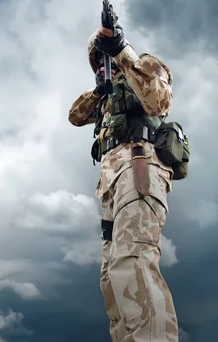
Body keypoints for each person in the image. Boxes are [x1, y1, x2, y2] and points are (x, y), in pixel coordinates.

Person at [67, 21, 179, 342]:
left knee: (134, 260)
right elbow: (74, 116)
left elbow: (158, 101)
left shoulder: (142, 67)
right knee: (112, 278)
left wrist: (122, 53)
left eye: (104, 55)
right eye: (96, 59)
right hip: (110, 182)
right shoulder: (105, 94)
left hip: (139, 164)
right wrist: (100, 89)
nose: (101, 62)